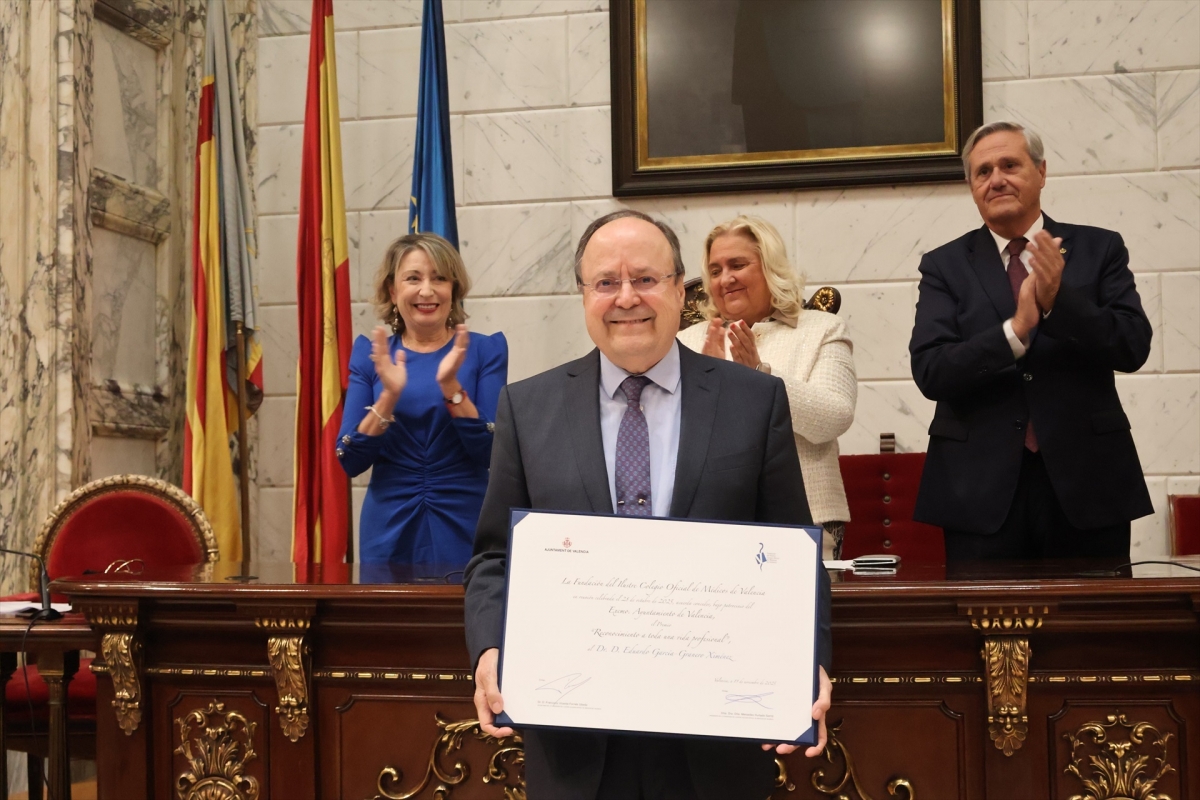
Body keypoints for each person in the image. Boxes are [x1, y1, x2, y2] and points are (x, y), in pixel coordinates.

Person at [464, 210, 832, 800]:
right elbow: (492, 558)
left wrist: (805, 656)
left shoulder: (754, 401)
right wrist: (488, 647)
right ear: (583, 295)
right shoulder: (527, 409)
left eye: (646, 279)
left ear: (680, 288)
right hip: (576, 743)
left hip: (716, 745)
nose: (626, 298)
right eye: (605, 282)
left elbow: (791, 552)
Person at [909, 121, 1153, 562]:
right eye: (982, 172)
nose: (996, 178)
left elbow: (1132, 346)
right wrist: (1014, 333)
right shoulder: (944, 266)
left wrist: (1060, 300)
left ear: (1041, 172)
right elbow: (932, 370)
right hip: (978, 491)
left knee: (1091, 630)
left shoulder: (1099, 248)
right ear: (971, 186)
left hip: (1088, 483)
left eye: (1009, 165)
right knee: (985, 629)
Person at [677, 216, 857, 559]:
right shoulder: (687, 342)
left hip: (806, 521)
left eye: (737, 265)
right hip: (708, 524)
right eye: (715, 270)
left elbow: (835, 417)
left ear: (770, 268)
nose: (725, 279)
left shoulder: (821, 329)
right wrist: (699, 388)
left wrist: (759, 377)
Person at [337, 233, 508, 565]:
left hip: (468, 522)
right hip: (388, 526)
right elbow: (350, 460)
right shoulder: (371, 355)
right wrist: (388, 396)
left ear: (453, 289)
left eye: (439, 278)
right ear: (393, 290)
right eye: (413, 278)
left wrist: (450, 387)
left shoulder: (485, 350)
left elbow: (491, 452)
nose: (427, 291)